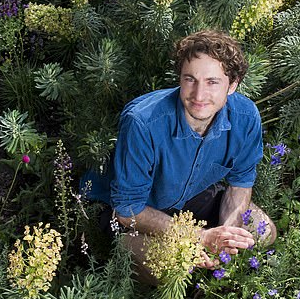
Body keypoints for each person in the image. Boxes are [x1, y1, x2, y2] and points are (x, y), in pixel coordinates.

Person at [85, 30, 276, 282]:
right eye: (190, 79)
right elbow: (127, 209)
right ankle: (132, 265)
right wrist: (197, 237)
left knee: (264, 231)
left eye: (212, 82)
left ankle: (209, 274)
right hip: (136, 214)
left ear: (232, 85)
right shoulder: (143, 122)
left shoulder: (245, 116)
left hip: (193, 200)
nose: (198, 95)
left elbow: (240, 184)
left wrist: (226, 234)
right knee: (173, 269)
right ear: (180, 78)